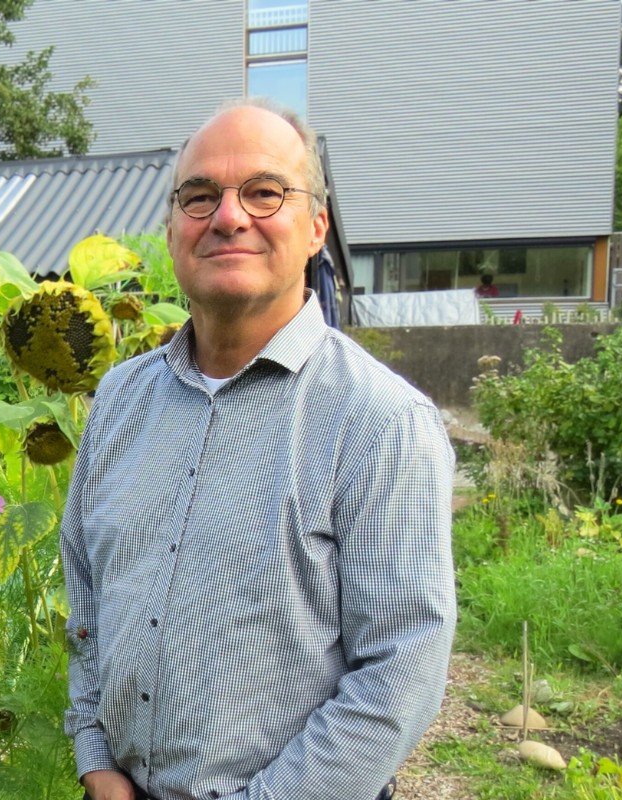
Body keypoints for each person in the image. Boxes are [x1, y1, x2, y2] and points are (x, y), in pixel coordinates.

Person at [61, 98, 456, 800]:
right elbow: (88, 598)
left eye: (265, 192)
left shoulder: (379, 422)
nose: (229, 216)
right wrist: (96, 756)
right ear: (173, 225)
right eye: (200, 195)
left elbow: (401, 673)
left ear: (317, 228)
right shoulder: (118, 402)